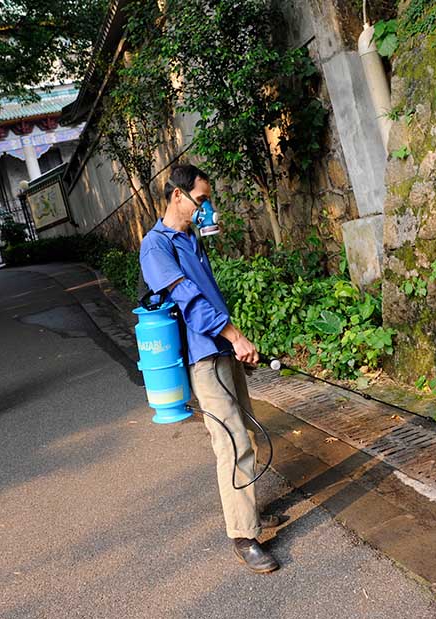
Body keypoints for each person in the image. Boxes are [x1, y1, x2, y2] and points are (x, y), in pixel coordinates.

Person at [139, 164, 284, 574]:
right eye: (200, 200)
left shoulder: (190, 238)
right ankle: (243, 537)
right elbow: (189, 299)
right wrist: (235, 336)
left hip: (223, 348)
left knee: (248, 432)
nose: (205, 208)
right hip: (202, 357)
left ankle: (249, 514)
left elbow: (209, 294)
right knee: (232, 443)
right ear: (177, 195)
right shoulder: (155, 246)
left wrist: (235, 342)